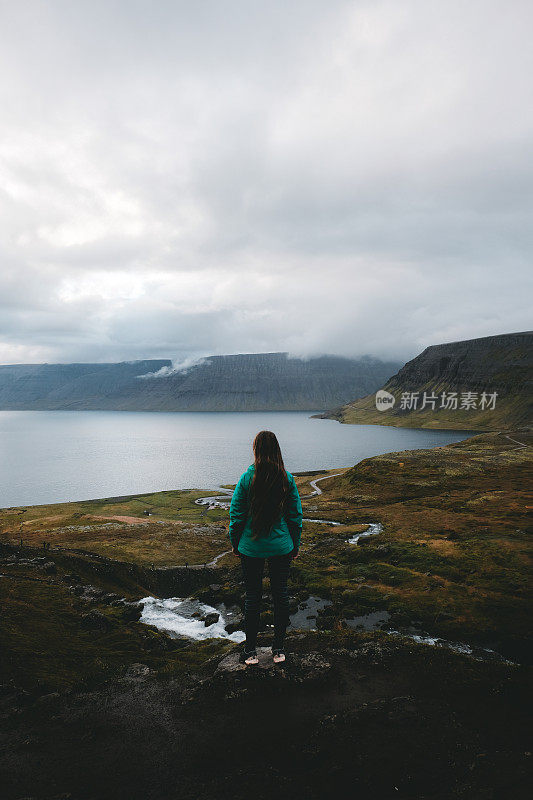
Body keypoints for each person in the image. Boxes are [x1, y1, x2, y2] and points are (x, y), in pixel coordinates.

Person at [228, 430, 302, 665]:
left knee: (253, 597)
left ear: (256, 450)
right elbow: (295, 517)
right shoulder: (286, 479)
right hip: (282, 548)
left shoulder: (246, 478)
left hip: (251, 548)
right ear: (277, 450)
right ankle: (278, 650)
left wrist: (235, 543)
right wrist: (295, 545)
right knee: (281, 596)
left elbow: (236, 516)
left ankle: (250, 652)